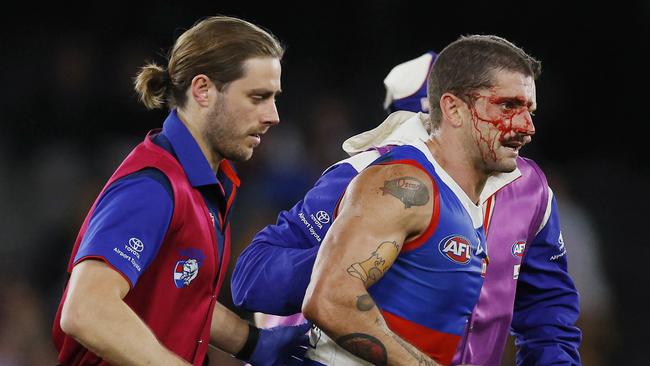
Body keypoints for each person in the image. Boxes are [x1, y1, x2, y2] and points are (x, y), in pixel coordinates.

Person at [233, 35, 550, 365]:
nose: (525, 125)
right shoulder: (390, 179)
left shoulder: (522, 190)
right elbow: (266, 282)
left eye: (528, 109)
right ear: (450, 110)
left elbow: (547, 310)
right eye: (507, 106)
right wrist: (356, 255)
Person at [52, 16, 310, 366]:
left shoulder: (204, 185)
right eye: (258, 97)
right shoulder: (154, 187)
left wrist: (252, 342)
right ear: (202, 90)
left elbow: (183, 293)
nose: (273, 115)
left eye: (273, 98)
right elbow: (86, 310)